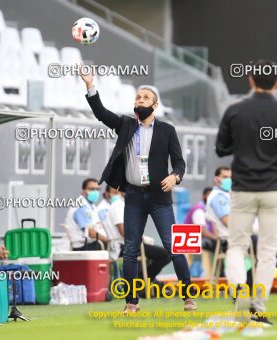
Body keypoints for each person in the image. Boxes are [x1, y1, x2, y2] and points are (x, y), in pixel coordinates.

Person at [79, 69, 194, 313]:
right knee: (130, 250)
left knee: (173, 247)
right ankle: (131, 303)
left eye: (144, 97)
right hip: (133, 196)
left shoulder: (167, 130)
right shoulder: (126, 125)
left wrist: (175, 176)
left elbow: (180, 162)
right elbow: (101, 113)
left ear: (155, 104)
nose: (139, 100)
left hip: (160, 198)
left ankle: (188, 297)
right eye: (137, 98)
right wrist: (90, 85)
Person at [216, 59, 277, 324]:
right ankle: (258, 307)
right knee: (268, 252)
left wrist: (243, 141)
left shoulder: (235, 111)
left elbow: (221, 148)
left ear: (250, 80)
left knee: (236, 246)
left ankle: (239, 290)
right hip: (274, 190)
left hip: (243, 188)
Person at [103, 187, 170, 286]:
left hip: (131, 243)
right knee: (166, 254)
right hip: (121, 246)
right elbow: (123, 231)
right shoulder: (118, 206)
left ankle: (141, 281)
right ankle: (141, 282)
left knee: (166, 254)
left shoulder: (128, 205)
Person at [65, 178, 109, 251]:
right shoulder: (81, 207)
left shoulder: (91, 206)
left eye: (97, 189)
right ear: (83, 191)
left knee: (118, 247)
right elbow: (91, 232)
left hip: (91, 243)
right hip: (82, 246)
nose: (95, 192)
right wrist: (108, 240)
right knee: (117, 248)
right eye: (91, 189)